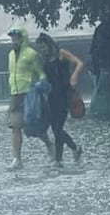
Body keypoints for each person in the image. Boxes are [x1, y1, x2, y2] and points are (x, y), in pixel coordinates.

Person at [35, 32, 85, 167]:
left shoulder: (61, 53)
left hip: (65, 95)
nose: (43, 50)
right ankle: (73, 151)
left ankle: (59, 160)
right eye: (41, 48)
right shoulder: (44, 60)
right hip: (52, 96)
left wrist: (74, 76)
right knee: (56, 128)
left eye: (44, 47)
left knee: (57, 128)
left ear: (50, 44)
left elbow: (79, 63)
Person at [6, 26, 51, 169]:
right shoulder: (10, 55)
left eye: (16, 37)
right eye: (12, 38)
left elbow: (40, 72)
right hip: (15, 94)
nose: (13, 40)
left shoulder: (32, 54)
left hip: (30, 94)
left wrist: (42, 83)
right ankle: (17, 159)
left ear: (22, 38)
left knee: (34, 128)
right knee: (15, 127)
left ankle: (49, 145)